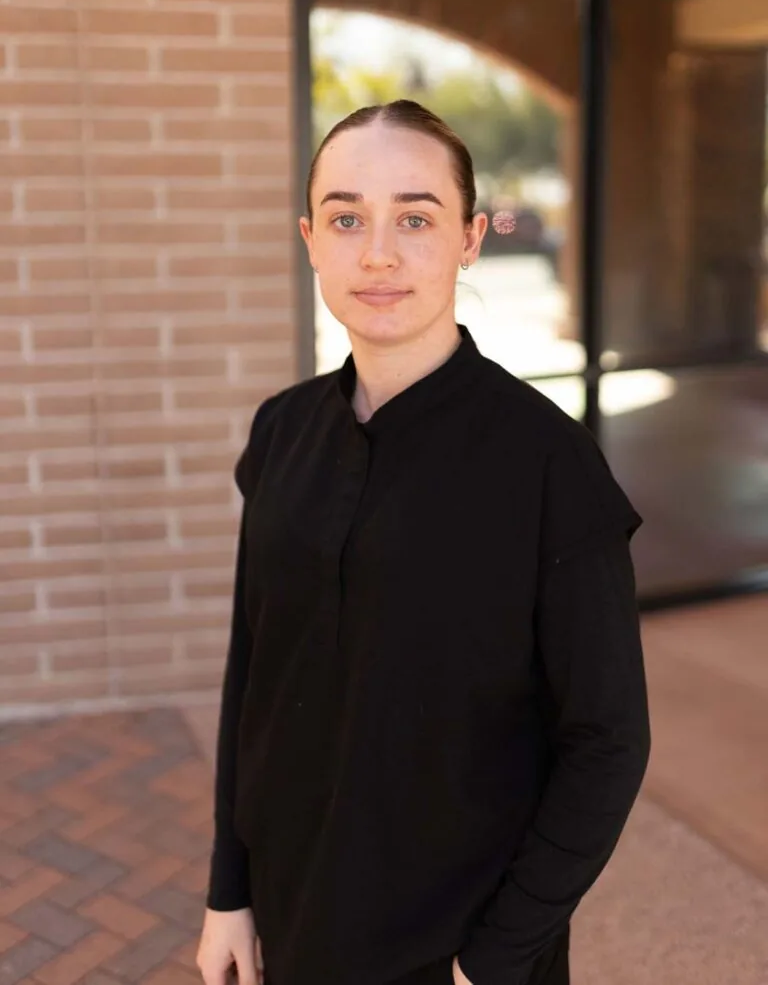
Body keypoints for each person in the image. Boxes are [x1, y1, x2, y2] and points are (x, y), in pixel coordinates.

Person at [196, 99, 651, 985]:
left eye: (415, 216)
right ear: (309, 238)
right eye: (346, 218)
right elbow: (254, 676)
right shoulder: (281, 433)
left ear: (471, 237)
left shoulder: (549, 463)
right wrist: (230, 890)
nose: (378, 252)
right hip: (291, 921)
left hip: (458, 946)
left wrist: (492, 960)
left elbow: (606, 741)